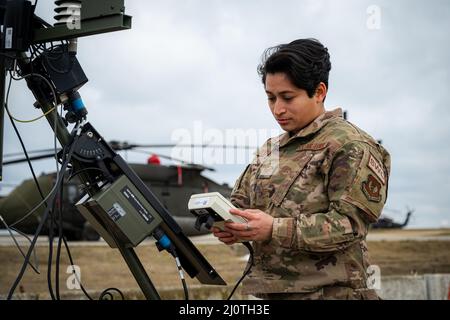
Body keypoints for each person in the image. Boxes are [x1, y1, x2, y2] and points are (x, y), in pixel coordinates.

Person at [212, 38, 391, 300]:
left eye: (287, 97)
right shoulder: (271, 149)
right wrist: (232, 226)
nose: (277, 109)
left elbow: (350, 225)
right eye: (270, 98)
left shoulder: (351, 145)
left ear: (319, 92)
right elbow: (241, 203)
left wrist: (274, 229)